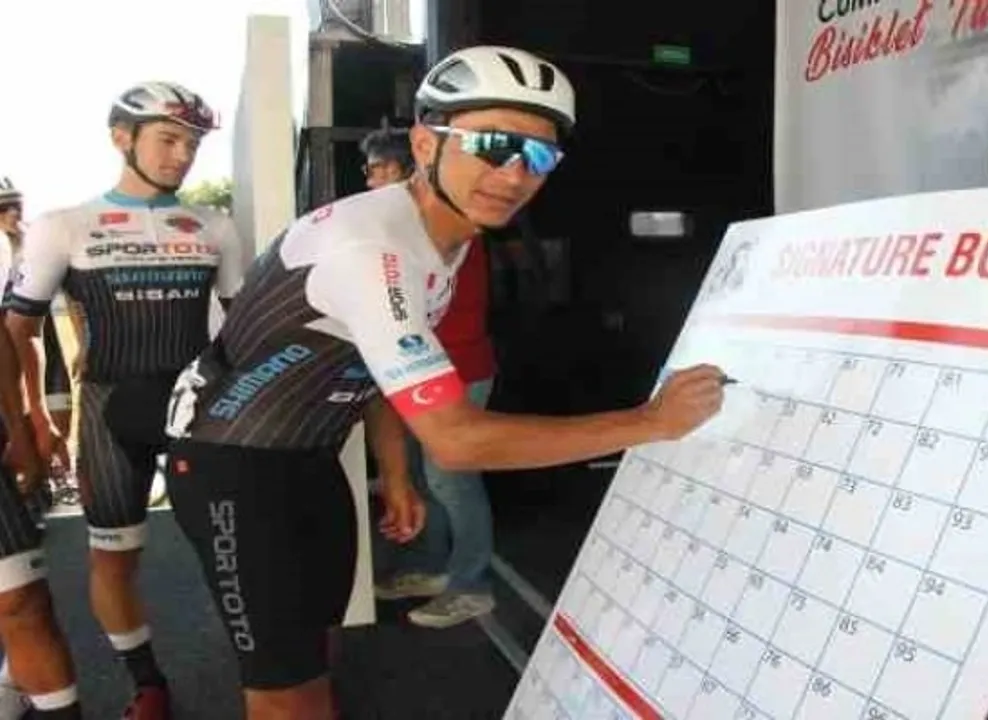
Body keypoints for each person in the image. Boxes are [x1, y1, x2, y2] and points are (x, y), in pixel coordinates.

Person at [162, 45, 725, 719]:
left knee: (317, 653)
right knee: (282, 693)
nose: (514, 174)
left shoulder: (445, 232)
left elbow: (375, 370)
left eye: (539, 155)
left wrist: (397, 475)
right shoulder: (373, 248)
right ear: (426, 142)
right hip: (231, 463)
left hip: (309, 456)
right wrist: (650, 423)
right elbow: (457, 442)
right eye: (491, 144)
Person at [5, 82, 246, 719]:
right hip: (109, 412)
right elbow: (17, 334)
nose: (182, 156)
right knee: (115, 558)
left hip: (197, 410)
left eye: (192, 144)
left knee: (235, 549)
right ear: (121, 138)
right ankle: (147, 683)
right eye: (168, 139)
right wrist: (33, 419)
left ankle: (266, 673)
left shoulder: (215, 225)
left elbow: (245, 328)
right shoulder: (63, 227)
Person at [358, 129, 503, 629]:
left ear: (411, 169)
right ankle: (433, 569)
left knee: (451, 477)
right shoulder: (400, 224)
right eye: (370, 170)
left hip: (459, 370)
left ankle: (472, 586)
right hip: (417, 371)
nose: (371, 180)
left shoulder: (443, 222)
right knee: (421, 477)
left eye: (379, 169)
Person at [0, 181, 82, 719]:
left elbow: (14, 340)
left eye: (14, 207)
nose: (12, 216)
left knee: (20, 600)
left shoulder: (26, 250)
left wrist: (27, 425)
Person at [0, 179, 74, 527]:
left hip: (43, 351)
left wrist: (86, 343)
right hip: (16, 359)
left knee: (50, 434)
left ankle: (48, 488)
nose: (12, 214)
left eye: (17, 205)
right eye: (3, 208)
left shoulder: (37, 243)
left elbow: (74, 298)